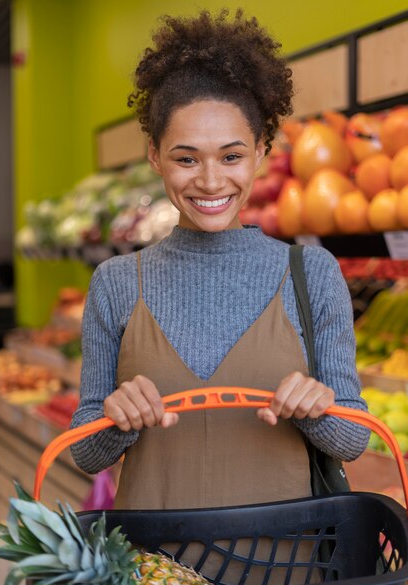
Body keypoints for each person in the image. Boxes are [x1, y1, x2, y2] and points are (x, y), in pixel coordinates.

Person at [70, 9, 369, 515]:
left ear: (261, 151)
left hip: (286, 572)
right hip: (154, 577)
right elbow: (83, 448)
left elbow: (354, 438)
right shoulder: (116, 282)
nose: (210, 181)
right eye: (186, 158)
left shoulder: (312, 273)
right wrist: (113, 420)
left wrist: (317, 411)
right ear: (154, 155)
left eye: (231, 157)